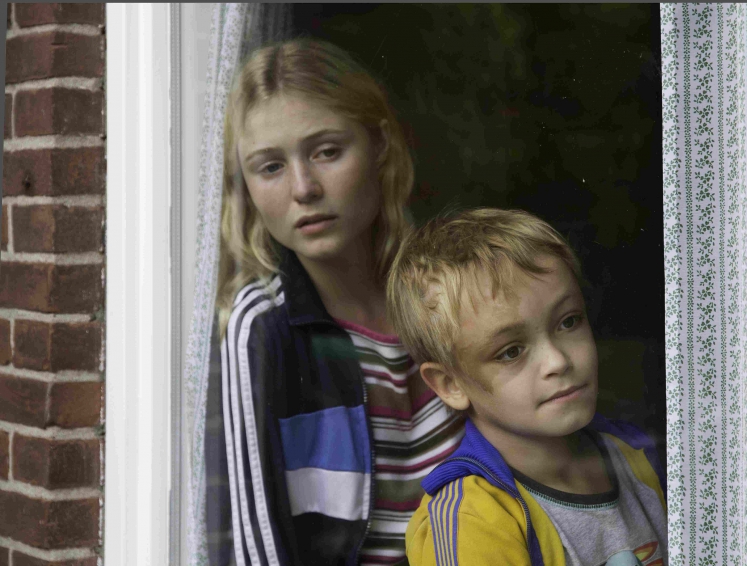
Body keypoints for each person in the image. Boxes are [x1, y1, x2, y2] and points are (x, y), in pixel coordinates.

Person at [204, 39, 465, 566]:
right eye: (270, 167)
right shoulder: (264, 325)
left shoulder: (445, 294)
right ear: (244, 184)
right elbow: (260, 549)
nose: (304, 188)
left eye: (326, 151)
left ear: (380, 145)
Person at [386, 208, 667, 566]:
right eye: (511, 351)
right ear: (451, 384)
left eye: (568, 322)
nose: (557, 361)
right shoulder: (470, 520)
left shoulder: (636, 455)